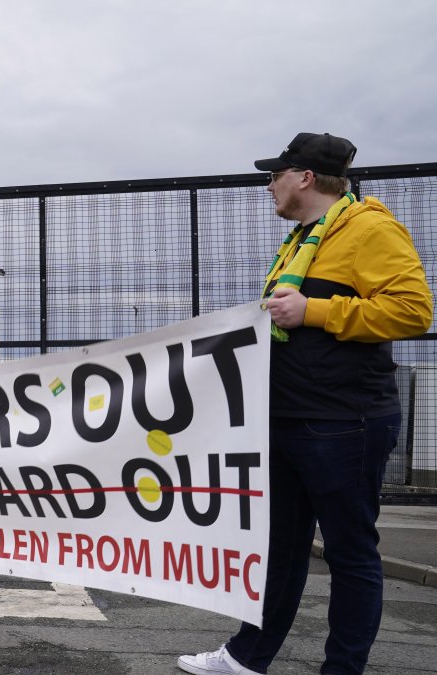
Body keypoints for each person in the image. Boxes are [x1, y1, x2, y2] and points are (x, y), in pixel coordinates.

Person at [178, 133, 432, 675]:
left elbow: (413, 312)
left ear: (304, 178)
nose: (269, 186)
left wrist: (315, 310)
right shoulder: (303, 238)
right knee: (281, 550)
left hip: (345, 422)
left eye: (275, 175)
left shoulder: (370, 229)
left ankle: (342, 669)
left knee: (350, 553)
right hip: (288, 418)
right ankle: (247, 657)